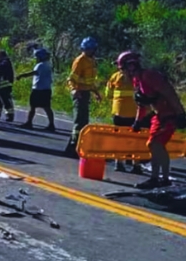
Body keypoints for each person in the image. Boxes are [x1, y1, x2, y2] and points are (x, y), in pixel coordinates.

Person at [118, 51, 186, 189]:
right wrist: (137, 121)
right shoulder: (138, 80)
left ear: (130, 66)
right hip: (158, 115)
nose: (122, 72)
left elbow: (169, 92)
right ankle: (160, 178)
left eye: (122, 68)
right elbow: (143, 104)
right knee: (156, 145)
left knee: (154, 144)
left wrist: (180, 114)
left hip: (168, 114)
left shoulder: (150, 76)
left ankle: (159, 178)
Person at [65, 37, 102, 157]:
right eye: (87, 49)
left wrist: (96, 93)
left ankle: (79, 146)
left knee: (84, 122)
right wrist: (74, 90)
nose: (90, 51)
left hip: (86, 93)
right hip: (79, 93)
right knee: (78, 122)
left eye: (91, 49)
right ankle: (72, 146)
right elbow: (71, 78)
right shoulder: (80, 61)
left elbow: (89, 81)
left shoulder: (92, 61)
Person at [106, 61, 142, 173]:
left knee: (119, 138)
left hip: (118, 112)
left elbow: (108, 94)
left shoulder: (115, 77)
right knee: (136, 140)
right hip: (134, 114)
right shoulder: (137, 78)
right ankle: (136, 165)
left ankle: (119, 163)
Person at [18, 48, 55, 132]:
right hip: (46, 89)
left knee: (33, 106)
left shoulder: (40, 65)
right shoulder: (47, 64)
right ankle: (51, 124)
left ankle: (29, 122)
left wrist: (22, 75)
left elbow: (33, 73)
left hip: (38, 89)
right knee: (47, 107)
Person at [0, 50, 15, 121]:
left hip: (4, 85)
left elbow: (0, 69)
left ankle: (9, 115)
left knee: (6, 100)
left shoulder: (5, 62)